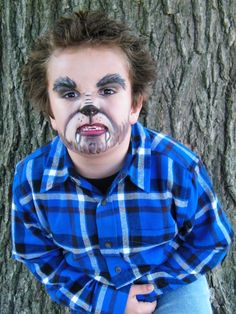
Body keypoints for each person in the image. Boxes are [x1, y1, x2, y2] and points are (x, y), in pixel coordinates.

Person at [11, 10, 233, 314]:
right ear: (51, 112)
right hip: (92, 288)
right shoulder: (31, 180)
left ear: (135, 105)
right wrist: (107, 301)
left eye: (107, 90)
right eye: (69, 92)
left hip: (170, 281)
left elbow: (212, 240)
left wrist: (149, 290)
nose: (89, 106)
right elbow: (38, 255)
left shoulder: (177, 167)